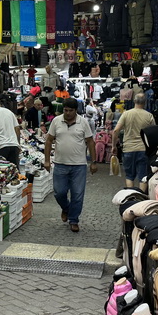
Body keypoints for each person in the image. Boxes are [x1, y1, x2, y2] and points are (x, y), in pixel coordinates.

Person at [44, 97, 97, 232]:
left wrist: (93, 162)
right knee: (59, 192)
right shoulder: (56, 121)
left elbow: (90, 141)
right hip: (60, 164)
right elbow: (49, 140)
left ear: (76, 110)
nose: (67, 113)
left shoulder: (83, 122)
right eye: (65, 110)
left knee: (77, 194)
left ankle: (74, 219)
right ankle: (66, 209)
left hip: (79, 165)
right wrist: (47, 160)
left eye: (70, 111)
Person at [114, 93, 156, 190]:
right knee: (143, 177)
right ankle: (140, 198)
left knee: (129, 176)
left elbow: (116, 130)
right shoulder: (149, 115)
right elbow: (153, 132)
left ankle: (131, 197)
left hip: (128, 148)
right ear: (145, 102)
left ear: (134, 101)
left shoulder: (126, 114)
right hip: (143, 149)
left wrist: (113, 146)